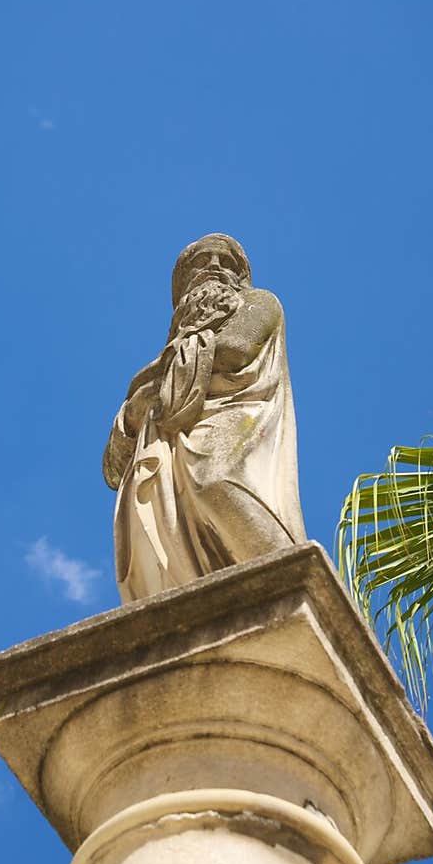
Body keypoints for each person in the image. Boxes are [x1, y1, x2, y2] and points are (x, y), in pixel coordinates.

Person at [103, 233, 307, 603]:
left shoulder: (259, 303)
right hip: (168, 440)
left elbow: (235, 350)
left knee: (214, 482)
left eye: (226, 263)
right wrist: (133, 416)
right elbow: (113, 468)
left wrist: (154, 385)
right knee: (151, 523)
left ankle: (291, 586)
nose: (214, 268)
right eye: (202, 262)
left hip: (235, 420)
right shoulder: (175, 349)